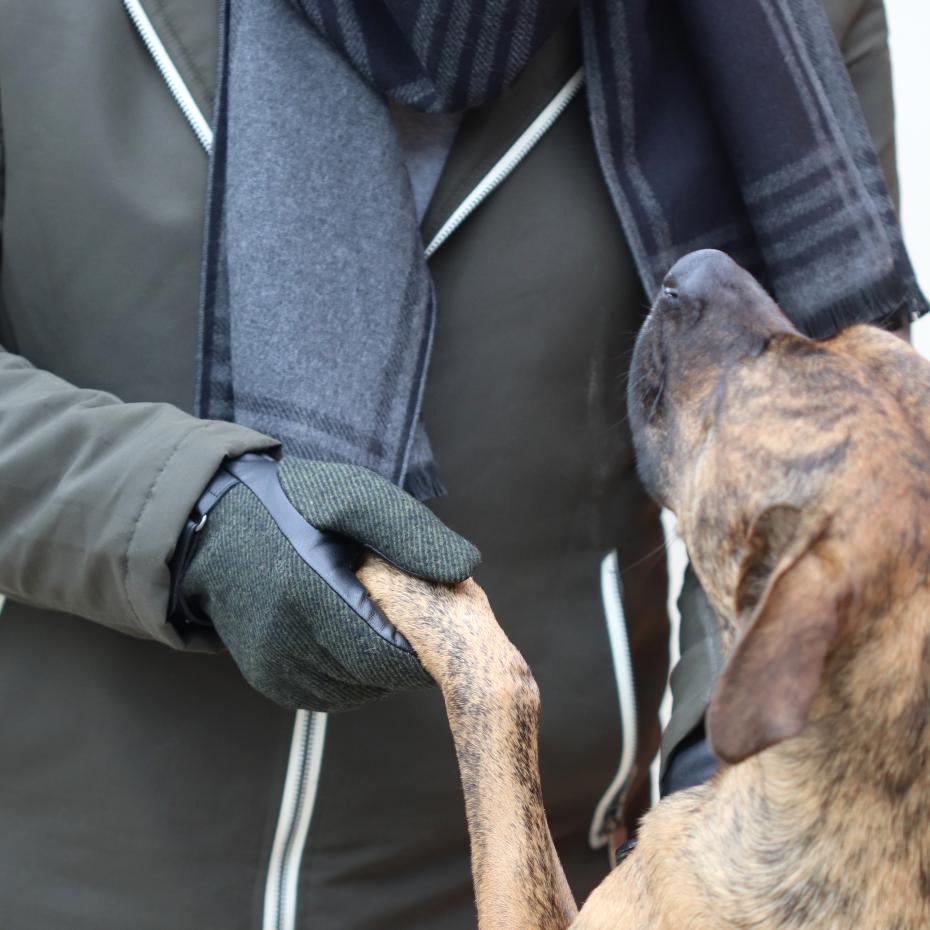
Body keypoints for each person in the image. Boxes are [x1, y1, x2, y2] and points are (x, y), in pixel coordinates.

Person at [0, 1, 914, 928]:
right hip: (70, 874)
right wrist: (185, 515)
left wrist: (719, 804)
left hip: (536, 881)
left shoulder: (798, 19)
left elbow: (830, 488)